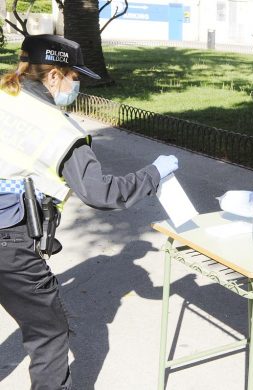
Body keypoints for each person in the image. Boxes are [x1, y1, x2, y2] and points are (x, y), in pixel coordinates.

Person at [0, 34, 179, 390]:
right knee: (48, 333)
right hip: (10, 243)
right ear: (53, 76)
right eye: (75, 77)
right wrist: (153, 173)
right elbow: (101, 193)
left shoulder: (5, 95)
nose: (76, 86)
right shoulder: (59, 130)